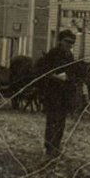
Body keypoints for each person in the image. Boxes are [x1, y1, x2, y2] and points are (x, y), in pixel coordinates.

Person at [36, 29, 78, 158]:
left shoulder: (70, 56)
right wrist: (55, 77)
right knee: (52, 120)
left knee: (61, 122)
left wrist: (69, 78)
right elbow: (42, 70)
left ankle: (56, 146)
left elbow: (73, 73)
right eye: (67, 42)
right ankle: (49, 147)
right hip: (52, 92)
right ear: (60, 41)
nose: (69, 45)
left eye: (72, 43)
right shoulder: (53, 53)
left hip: (64, 94)